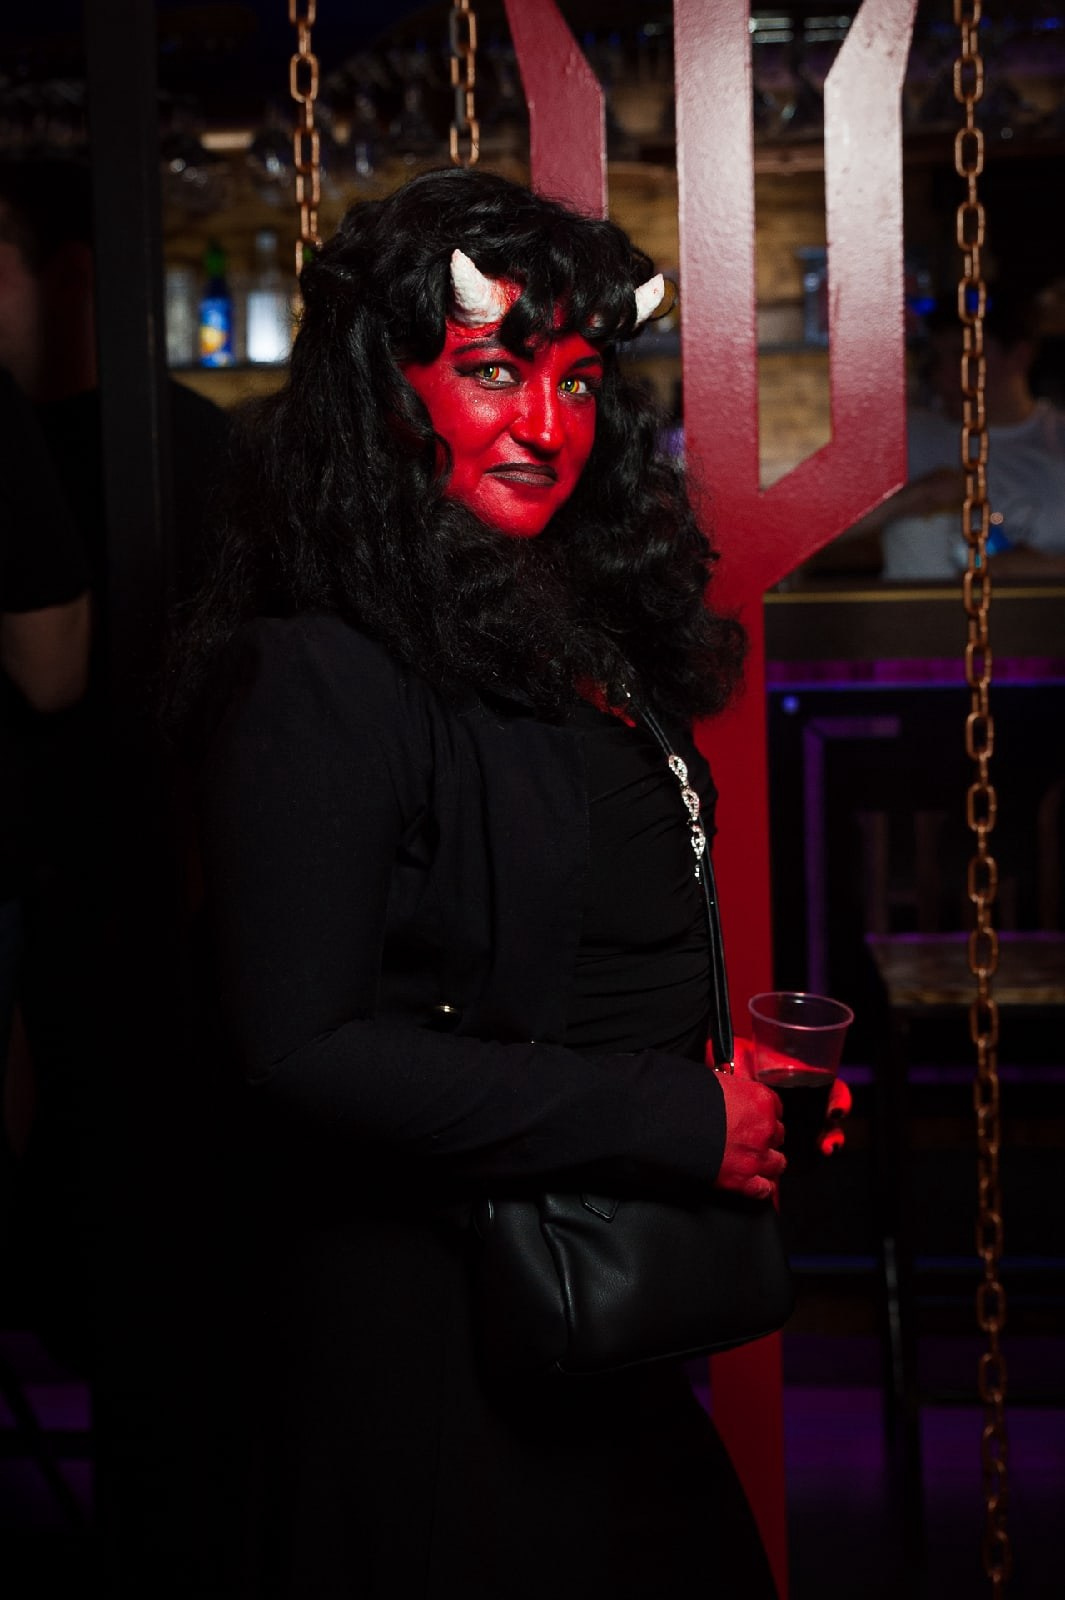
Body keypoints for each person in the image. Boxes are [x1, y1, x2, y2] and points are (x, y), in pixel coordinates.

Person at [174, 167, 787, 1599]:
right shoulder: (318, 673)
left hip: (587, 1317)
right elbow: (298, 1051)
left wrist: (729, 1098)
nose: (546, 426)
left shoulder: (555, 619)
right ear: (383, 392)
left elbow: (569, 948)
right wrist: (666, 1114)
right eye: (494, 371)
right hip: (435, 1354)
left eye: (577, 381)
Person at [818, 290, 1065, 581]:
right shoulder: (907, 436)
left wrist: (1033, 568)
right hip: (923, 608)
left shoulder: (1057, 439)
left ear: (1019, 357)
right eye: (937, 358)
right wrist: (908, 499)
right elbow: (807, 532)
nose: (943, 374)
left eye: (963, 356)